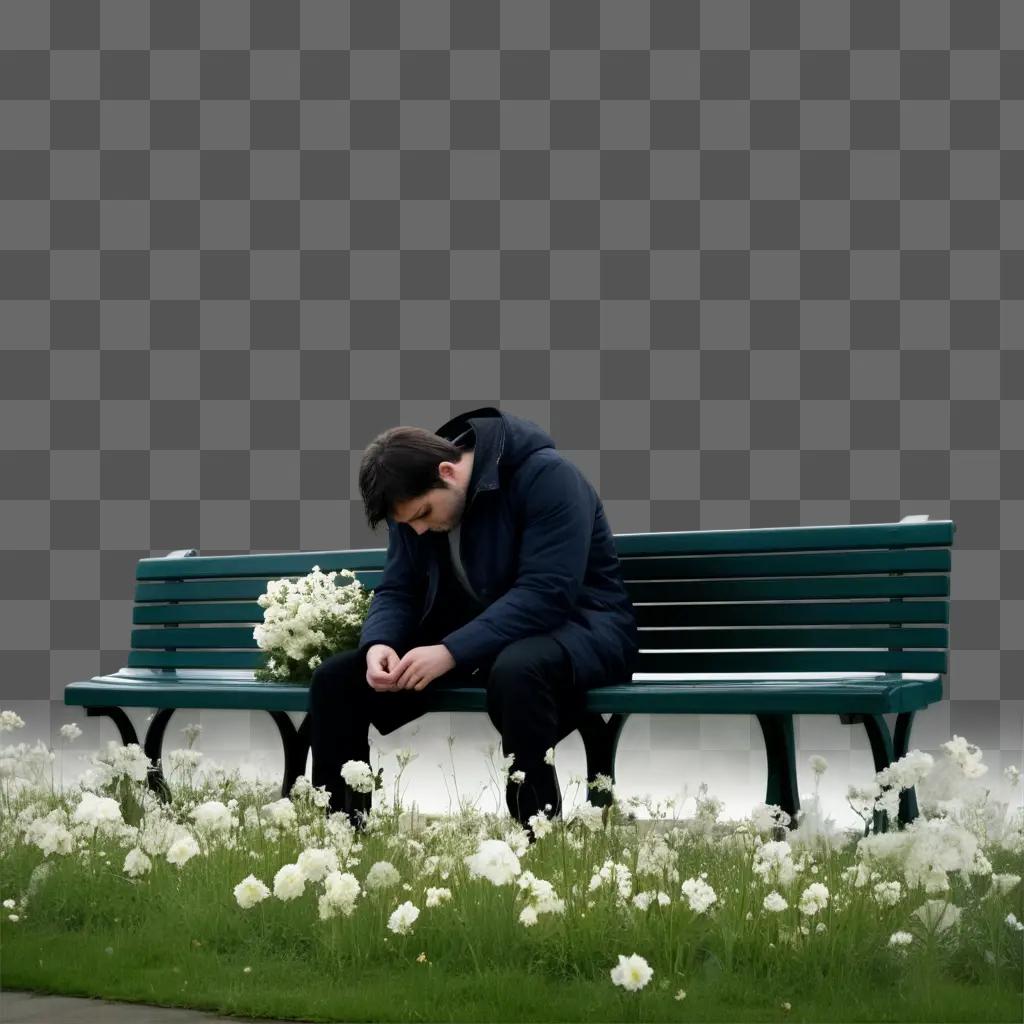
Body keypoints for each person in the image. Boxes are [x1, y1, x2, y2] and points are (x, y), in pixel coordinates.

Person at [308, 405, 641, 840]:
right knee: (337, 681)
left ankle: (533, 838)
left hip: (582, 630)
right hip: (482, 642)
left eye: (423, 514)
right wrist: (380, 643)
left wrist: (451, 652)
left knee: (519, 669)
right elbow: (398, 588)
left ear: (447, 471)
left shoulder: (547, 476)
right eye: (409, 524)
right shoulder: (415, 505)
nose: (420, 531)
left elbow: (547, 593)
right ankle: (340, 838)